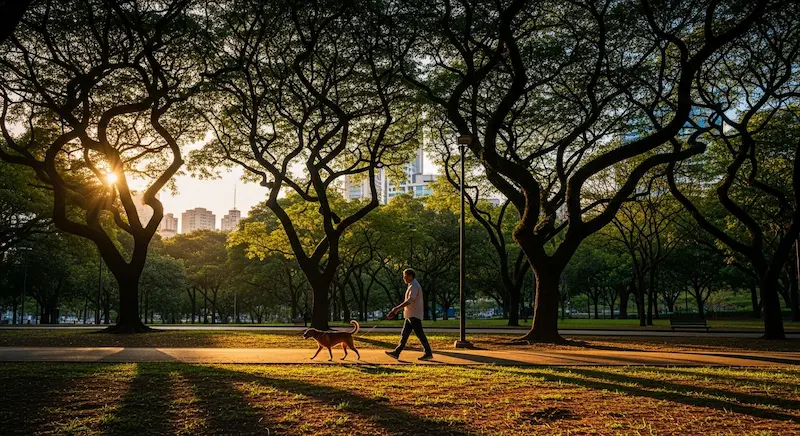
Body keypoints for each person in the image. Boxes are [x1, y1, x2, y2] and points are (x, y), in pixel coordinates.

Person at [385, 268, 433, 361]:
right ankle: (397, 352)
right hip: (410, 314)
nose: (404, 279)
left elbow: (410, 300)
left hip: (414, 314)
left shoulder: (414, 285)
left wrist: (397, 308)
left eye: (405, 276)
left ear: (411, 276)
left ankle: (428, 353)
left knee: (419, 334)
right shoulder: (412, 285)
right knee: (405, 334)